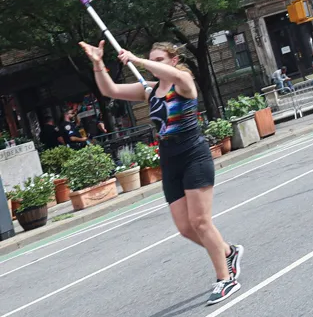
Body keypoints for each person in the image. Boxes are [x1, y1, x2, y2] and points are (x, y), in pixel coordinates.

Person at [78, 40, 243, 305]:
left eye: (160, 60)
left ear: (174, 61)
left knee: (200, 222)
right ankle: (227, 251)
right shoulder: (150, 91)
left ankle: (226, 279)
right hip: (169, 161)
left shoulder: (184, 82)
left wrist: (137, 59)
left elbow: (175, 75)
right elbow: (110, 90)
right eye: (152, 59)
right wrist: (98, 64)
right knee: (186, 228)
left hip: (194, 156)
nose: (155, 64)